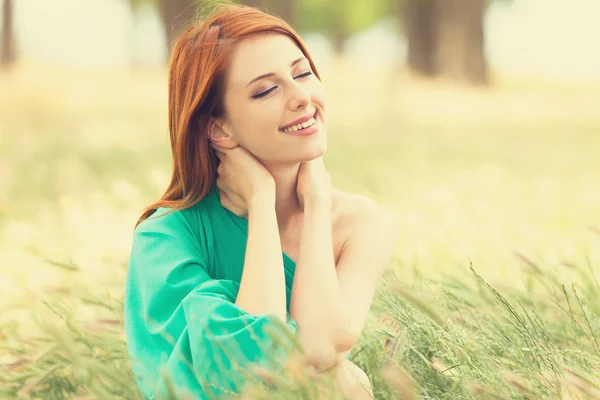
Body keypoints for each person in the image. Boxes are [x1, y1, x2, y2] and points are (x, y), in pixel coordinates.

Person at [124, 3, 399, 399]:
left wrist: (317, 203)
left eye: (302, 73)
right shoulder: (164, 239)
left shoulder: (363, 224)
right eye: (267, 89)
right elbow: (248, 375)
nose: (301, 96)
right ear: (218, 128)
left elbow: (320, 351)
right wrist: (260, 198)